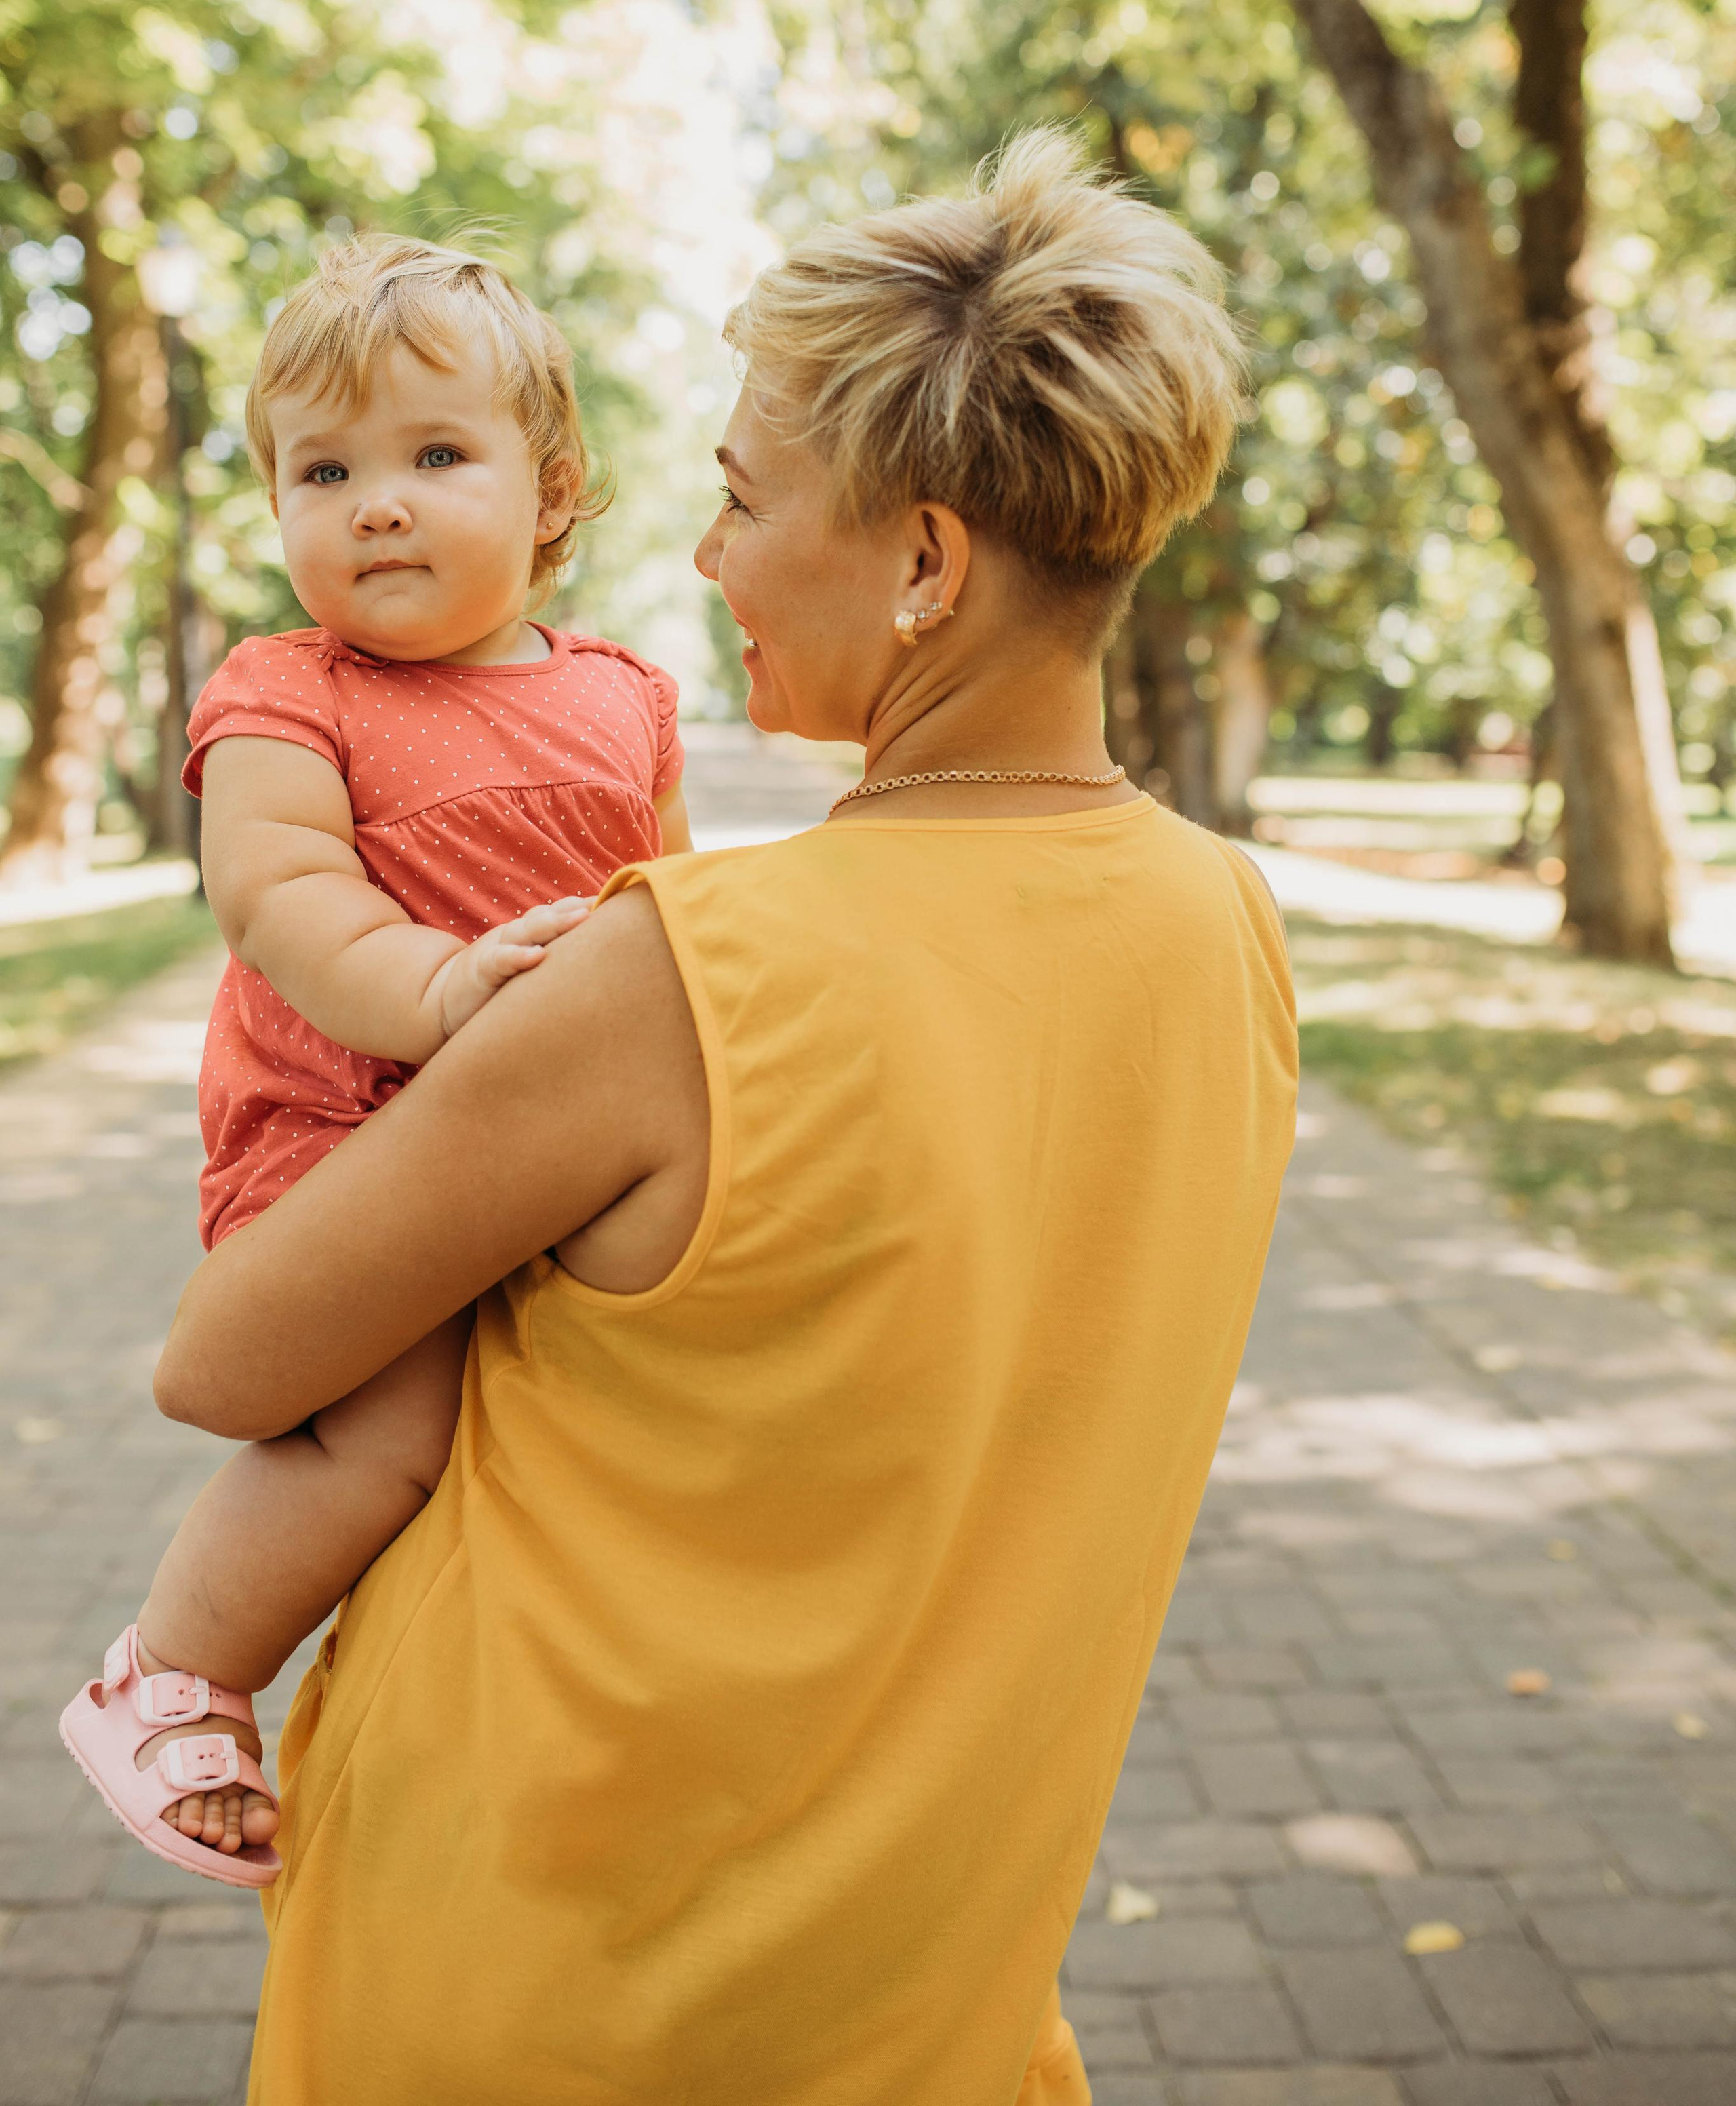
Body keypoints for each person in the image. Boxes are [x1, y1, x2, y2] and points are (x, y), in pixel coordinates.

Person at [153, 132, 1296, 2106]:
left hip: (537, 1967)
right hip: (928, 1979)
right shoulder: (1232, 937)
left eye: (745, 504)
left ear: (927, 561)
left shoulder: (668, 975)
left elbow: (226, 1355)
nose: (706, 565)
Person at [61, 239, 689, 1884]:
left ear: (551, 492)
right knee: (385, 1435)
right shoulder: (287, 689)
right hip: (347, 1121)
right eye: (323, 471)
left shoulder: (628, 697)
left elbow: (679, 914)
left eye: (433, 456)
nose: (377, 505)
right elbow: (281, 898)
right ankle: (174, 1669)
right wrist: (442, 988)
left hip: (548, 1138)